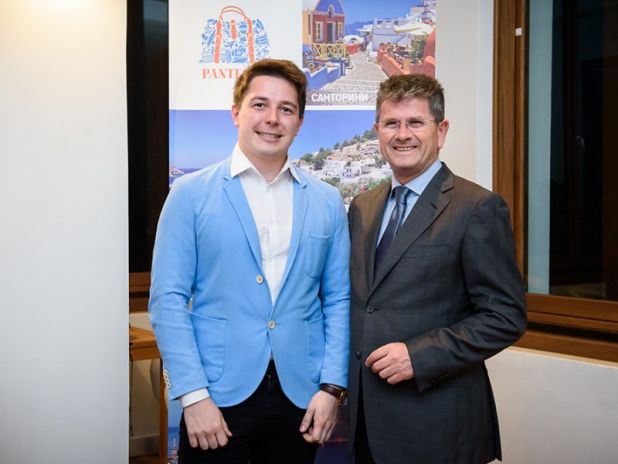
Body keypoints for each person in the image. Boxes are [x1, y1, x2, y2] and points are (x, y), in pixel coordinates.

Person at [149, 59, 350, 464]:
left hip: (300, 396)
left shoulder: (327, 200)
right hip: (216, 398)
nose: (272, 119)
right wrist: (193, 396)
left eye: (286, 109)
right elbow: (167, 300)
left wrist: (332, 388)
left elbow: (338, 299)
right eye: (260, 104)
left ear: (299, 122)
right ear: (236, 112)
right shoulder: (189, 194)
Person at [347, 73, 527, 464]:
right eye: (391, 123)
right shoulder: (363, 206)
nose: (402, 135)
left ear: (441, 131)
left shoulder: (476, 207)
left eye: (415, 122)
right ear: (377, 132)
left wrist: (420, 355)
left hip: (437, 426)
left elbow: (505, 317)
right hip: (365, 424)